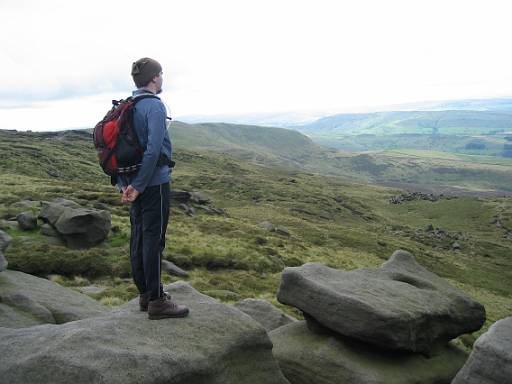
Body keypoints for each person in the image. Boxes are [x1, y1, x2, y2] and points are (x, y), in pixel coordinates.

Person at [119, 57, 189, 320]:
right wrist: (138, 186)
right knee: (153, 240)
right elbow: (153, 151)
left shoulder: (127, 106)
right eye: (161, 74)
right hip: (154, 184)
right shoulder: (154, 107)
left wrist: (125, 186)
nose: (162, 79)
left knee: (138, 236)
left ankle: (145, 295)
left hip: (132, 185)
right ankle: (158, 301)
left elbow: (114, 150)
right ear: (155, 78)